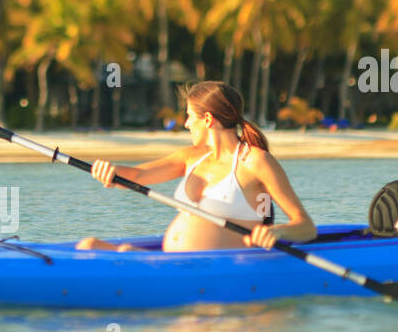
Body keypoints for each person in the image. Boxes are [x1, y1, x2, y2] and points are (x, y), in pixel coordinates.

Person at [76, 81, 317, 253]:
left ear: (209, 119)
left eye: (190, 116)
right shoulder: (190, 157)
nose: (187, 124)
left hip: (215, 269)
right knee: (88, 245)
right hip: (175, 262)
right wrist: (111, 171)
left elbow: (305, 226)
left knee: (119, 251)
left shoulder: (256, 161)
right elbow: (138, 175)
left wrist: (277, 232)